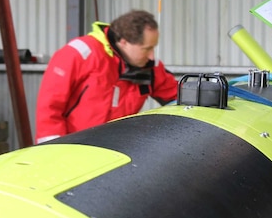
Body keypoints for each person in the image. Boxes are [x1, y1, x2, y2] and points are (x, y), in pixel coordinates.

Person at [35, 9, 178, 143]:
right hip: (73, 150)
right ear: (124, 42)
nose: (152, 56)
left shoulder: (150, 66)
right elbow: (49, 109)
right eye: (146, 49)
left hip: (119, 152)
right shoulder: (79, 55)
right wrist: (54, 152)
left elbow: (179, 97)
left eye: (153, 47)